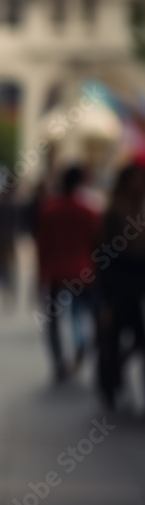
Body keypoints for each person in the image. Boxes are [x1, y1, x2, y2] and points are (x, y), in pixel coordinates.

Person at [33, 166, 100, 384]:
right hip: (83, 272)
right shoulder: (88, 210)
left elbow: (43, 246)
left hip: (55, 272)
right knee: (87, 316)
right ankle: (81, 351)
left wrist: (39, 278)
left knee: (53, 322)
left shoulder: (50, 210)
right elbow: (96, 244)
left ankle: (59, 362)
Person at [96, 163, 145, 408]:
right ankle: (111, 384)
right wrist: (106, 296)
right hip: (119, 283)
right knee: (112, 338)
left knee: (138, 338)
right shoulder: (115, 210)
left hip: (138, 283)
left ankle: (118, 372)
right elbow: (105, 254)